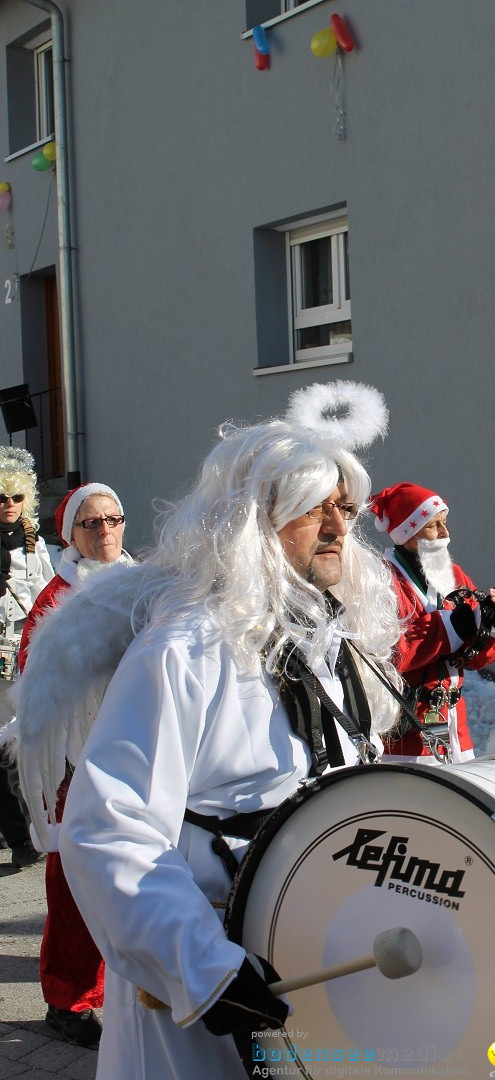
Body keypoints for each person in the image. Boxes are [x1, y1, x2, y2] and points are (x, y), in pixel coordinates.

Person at [14, 380, 402, 1080]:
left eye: (345, 508)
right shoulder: (186, 648)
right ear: (255, 520)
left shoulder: (334, 643)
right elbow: (111, 828)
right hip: (201, 998)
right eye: (315, 509)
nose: (340, 527)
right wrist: (203, 970)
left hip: (315, 968)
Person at [18, 483, 133, 1048]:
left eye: (114, 519)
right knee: (73, 887)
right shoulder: (56, 600)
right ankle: (67, 999)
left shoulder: (145, 584)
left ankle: (126, 986)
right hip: (78, 763)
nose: (106, 532)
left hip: (138, 753)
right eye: (92, 524)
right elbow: (32, 681)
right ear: (71, 536)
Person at [370, 482, 495, 761]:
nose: (445, 534)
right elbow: (386, 653)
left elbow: (475, 659)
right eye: (433, 525)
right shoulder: (380, 580)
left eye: (445, 523)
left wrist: (493, 624)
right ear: (408, 531)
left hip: (454, 728)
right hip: (407, 734)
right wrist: (452, 627)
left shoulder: (453, 574)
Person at [0, 447, 53, 867]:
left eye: (16, 498)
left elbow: (48, 598)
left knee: (29, 741)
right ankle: (18, 837)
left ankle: (31, 827)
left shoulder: (37, 545)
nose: (9, 506)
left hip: (29, 654)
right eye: (1, 498)